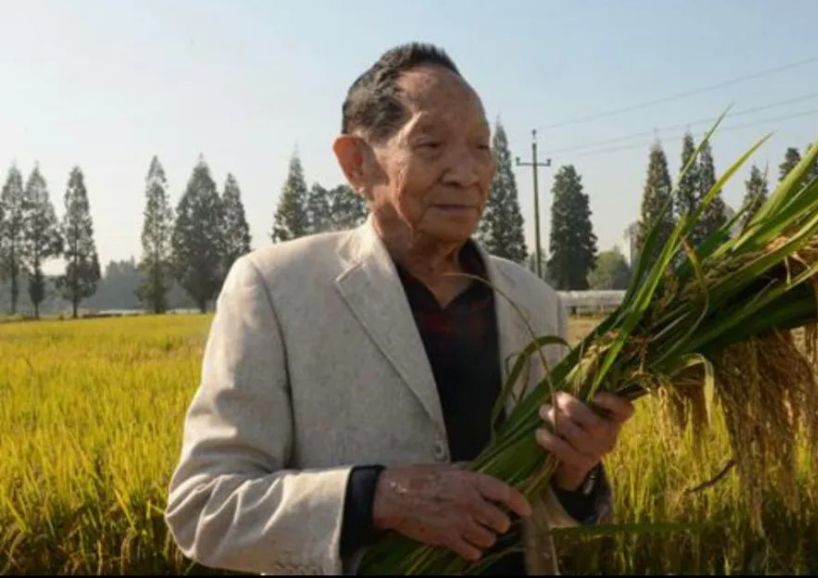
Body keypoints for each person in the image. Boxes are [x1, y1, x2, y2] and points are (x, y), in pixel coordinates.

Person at [164, 42, 636, 575]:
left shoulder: (533, 301)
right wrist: (378, 497)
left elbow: (548, 512)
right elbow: (205, 507)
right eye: (431, 145)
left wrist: (577, 471)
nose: (466, 173)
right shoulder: (276, 289)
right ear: (357, 162)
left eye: (481, 147)